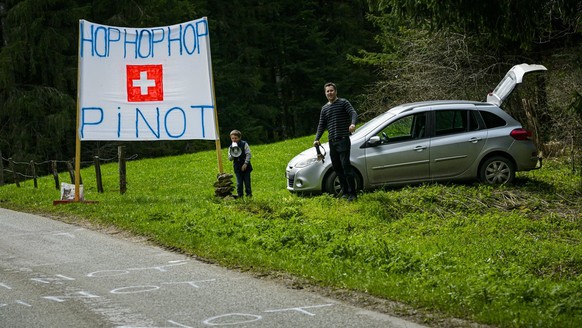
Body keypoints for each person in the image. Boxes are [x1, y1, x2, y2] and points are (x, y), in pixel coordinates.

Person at [313, 82, 358, 201]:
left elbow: (353, 113)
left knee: (346, 167)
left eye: (331, 90)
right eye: (327, 91)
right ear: (325, 93)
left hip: (343, 139)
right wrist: (317, 138)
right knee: (337, 168)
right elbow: (321, 125)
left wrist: (353, 124)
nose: (329, 93)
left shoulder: (343, 103)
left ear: (335, 91)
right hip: (332, 142)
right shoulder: (324, 108)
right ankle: (344, 192)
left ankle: (353, 193)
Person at [228, 129, 253, 198]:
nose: (234, 140)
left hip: (246, 166)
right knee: (239, 183)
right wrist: (233, 153)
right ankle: (240, 196)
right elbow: (230, 158)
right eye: (232, 138)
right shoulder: (231, 147)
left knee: (247, 183)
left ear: (239, 138)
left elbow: (248, 154)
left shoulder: (244, 144)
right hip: (237, 167)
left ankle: (249, 195)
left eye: (235, 138)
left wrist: (245, 163)